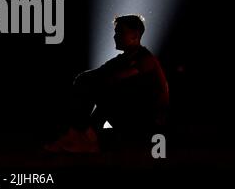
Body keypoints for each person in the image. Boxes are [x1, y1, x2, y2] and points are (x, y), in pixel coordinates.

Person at [44, 14, 169, 153]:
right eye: (116, 32)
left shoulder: (145, 58)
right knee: (91, 84)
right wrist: (83, 80)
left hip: (150, 118)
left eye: (120, 32)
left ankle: (83, 136)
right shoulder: (121, 60)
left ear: (135, 34)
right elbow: (95, 75)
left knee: (105, 89)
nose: (115, 36)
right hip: (132, 111)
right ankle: (81, 135)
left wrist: (89, 83)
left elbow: (118, 77)